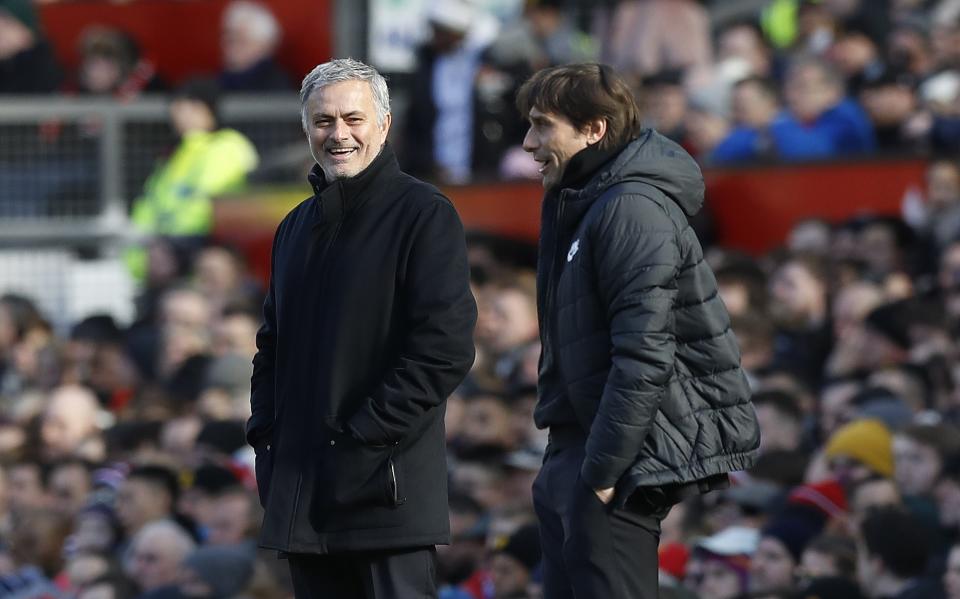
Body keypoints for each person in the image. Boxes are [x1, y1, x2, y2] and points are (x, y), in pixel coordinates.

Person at [516, 63, 760, 599]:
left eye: (542, 125)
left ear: (594, 130)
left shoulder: (631, 208)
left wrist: (603, 471)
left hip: (609, 463)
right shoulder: (586, 201)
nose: (529, 143)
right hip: (574, 451)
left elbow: (645, 354)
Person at [246, 58, 477, 598]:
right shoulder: (296, 227)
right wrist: (267, 438)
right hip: (306, 499)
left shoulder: (424, 212)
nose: (338, 134)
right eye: (323, 121)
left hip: (386, 495)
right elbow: (270, 348)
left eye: (353, 118)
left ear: (385, 125)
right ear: (306, 130)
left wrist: (360, 441)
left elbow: (443, 350)